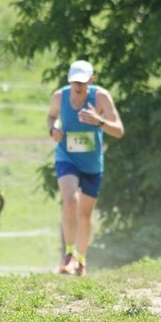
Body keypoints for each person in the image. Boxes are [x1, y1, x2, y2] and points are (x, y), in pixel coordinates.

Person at [47, 60, 124, 276]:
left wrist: (99, 121)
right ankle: (68, 253)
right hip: (67, 157)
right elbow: (51, 117)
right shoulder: (59, 97)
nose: (78, 86)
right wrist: (52, 129)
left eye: (82, 82)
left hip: (91, 163)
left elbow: (118, 131)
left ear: (92, 79)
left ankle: (81, 258)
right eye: (74, 82)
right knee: (70, 201)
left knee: (85, 215)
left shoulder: (100, 97)